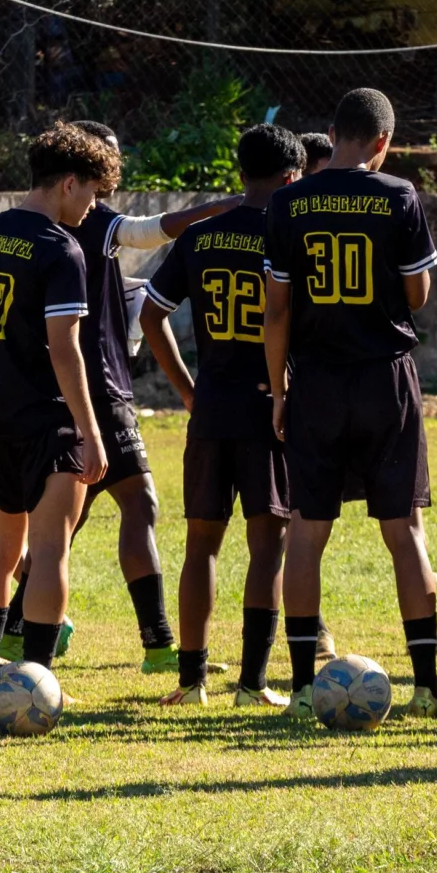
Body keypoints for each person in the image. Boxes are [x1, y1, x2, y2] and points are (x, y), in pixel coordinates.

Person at [3, 122, 237, 671]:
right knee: (132, 505)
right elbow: (151, 231)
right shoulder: (93, 223)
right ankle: (155, 646)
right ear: (74, 174)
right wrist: (226, 205)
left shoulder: (36, 227)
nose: (111, 174)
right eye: (101, 164)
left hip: (57, 392)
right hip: (97, 391)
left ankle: (18, 633)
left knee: (61, 524)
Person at [264, 87, 437, 717]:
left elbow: (277, 310)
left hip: (315, 381)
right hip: (384, 379)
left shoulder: (289, 202)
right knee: (402, 531)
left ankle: (298, 689)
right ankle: (425, 686)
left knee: (307, 534)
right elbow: (418, 293)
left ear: (333, 132)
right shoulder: (399, 195)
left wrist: (280, 391)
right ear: (383, 143)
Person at [138, 124, 305, 708]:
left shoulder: (200, 236)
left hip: (210, 408)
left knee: (201, 546)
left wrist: (187, 388)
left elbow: (151, 316)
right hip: (269, 408)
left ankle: (191, 683)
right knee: (268, 547)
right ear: (292, 178)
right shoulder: (291, 234)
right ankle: (253, 684)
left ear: (241, 173)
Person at [0, 125, 119, 702]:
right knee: (50, 550)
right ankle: (39, 679)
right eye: (92, 193)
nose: (93, 206)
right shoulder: (60, 247)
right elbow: (65, 347)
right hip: (51, 422)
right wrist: (92, 433)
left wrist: (1, 370)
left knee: (1, 549)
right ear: (68, 183)